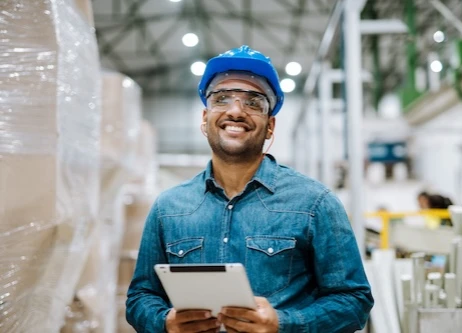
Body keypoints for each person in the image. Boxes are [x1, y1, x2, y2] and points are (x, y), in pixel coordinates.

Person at [126, 45, 374, 333]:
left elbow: (355, 301)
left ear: (270, 126)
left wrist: (284, 324)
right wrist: (166, 322)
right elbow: (139, 298)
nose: (236, 111)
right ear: (205, 119)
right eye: (221, 99)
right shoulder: (168, 207)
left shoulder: (314, 203)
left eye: (254, 102)